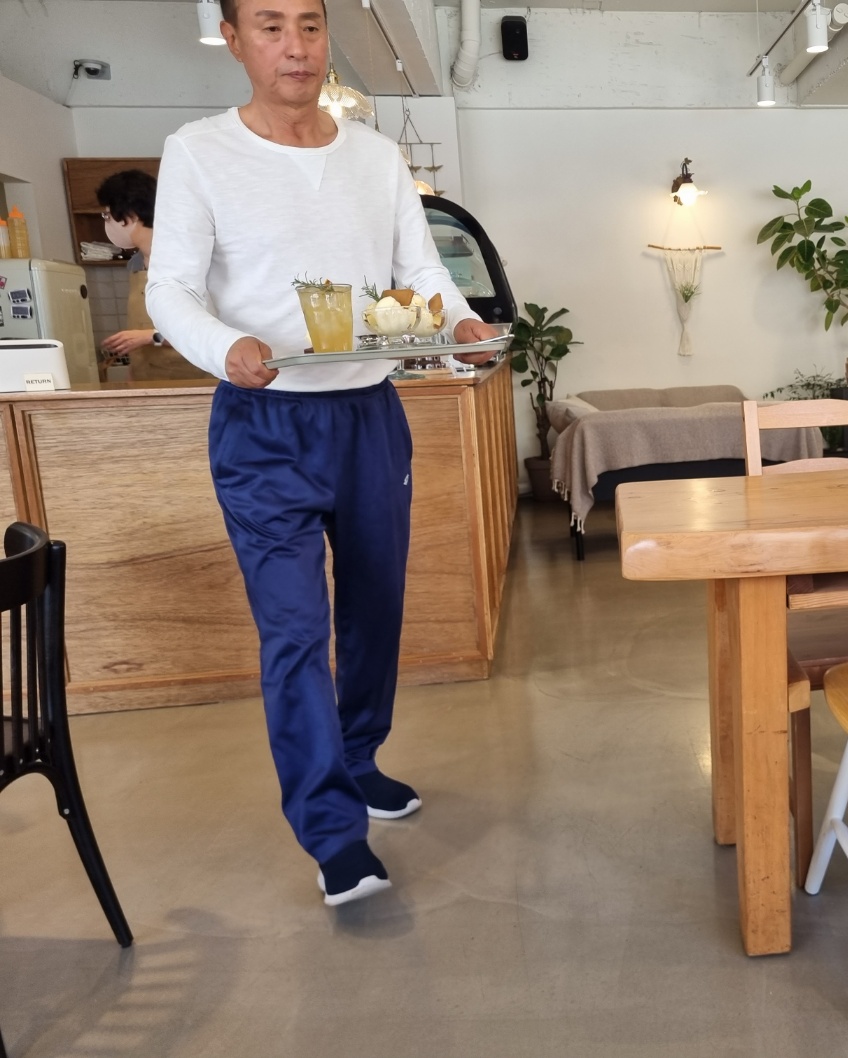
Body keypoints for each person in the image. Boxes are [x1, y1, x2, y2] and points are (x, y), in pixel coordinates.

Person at [145, 0, 501, 906]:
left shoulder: (374, 158)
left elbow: (420, 270)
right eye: (270, 26)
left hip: (367, 413)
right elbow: (170, 288)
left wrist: (459, 323)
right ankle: (331, 831)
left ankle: (358, 757)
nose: (294, 46)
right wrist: (223, 345)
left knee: (375, 607)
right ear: (233, 39)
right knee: (296, 630)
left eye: (309, 24)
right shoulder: (199, 151)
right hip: (262, 425)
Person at [95, 170, 213, 381]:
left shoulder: (187, 260)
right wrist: (133, 372)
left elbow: (206, 333)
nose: (107, 223)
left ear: (130, 215)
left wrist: (150, 337)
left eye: (107, 215)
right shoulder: (136, 264)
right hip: (148, 380)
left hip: (194, 380)